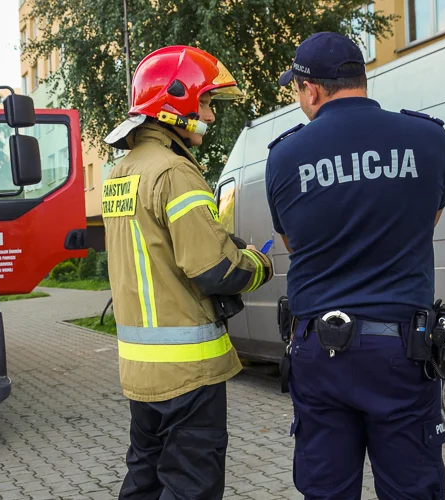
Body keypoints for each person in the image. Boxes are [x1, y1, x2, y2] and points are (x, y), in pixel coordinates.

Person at [265, 32, 445, 499]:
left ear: (311, 90)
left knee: (326, 490)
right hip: (403, 353)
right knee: (412, 489)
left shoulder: (284, 156)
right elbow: (426, 222)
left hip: (319, 353)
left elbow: (293, 241)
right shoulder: (428, 139)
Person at [102, 45, 274, 499]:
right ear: (175, 103)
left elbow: (158, 251)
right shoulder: (175, 171)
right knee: (190, 486)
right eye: (206, 104)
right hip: (187, 374)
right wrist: (258, 264)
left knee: (144, 479)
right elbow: (214, 269)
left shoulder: (122, 171)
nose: (211, 118)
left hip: (141, 370)